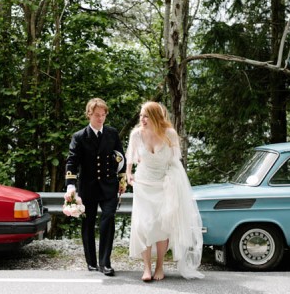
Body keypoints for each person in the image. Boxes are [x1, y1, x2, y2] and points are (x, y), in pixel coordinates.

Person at [125, 101, 204, 281]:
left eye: (145, 115)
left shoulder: (170, 134)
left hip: (163, 185)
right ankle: (146, 267)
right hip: (143, 184)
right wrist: (129, 174)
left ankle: (160, 265)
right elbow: (130, 156)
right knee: (143, 226)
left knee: (161, 227)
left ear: (155, 117)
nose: (142, 119)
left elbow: (175, 161)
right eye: (141, 115)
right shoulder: (136, 135)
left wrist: (174, 182)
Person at [64, 98, 127, 276]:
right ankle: (91, 262)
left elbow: (120, 158)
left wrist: (122, 181)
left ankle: (105, 262)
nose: (101, 118)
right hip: (88, 187)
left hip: (109, 187)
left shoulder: (112, 134)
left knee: (108, 219)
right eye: (97, 115)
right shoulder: (79, 136)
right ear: (89, 115)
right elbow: (72, 162)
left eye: (103, 115)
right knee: (88, 223)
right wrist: (70, 186)